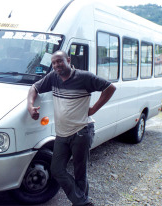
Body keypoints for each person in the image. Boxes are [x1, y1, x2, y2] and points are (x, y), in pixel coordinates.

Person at [27, 50, 116, 206]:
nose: (56, 65)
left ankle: (80, 203)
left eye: (59, 61)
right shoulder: (53, 77)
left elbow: (110, 88)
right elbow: (34, 88)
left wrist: (94, 109)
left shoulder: (84, 77)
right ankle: (83, 202)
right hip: (62, 134)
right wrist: (30, 106)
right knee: (56, 169)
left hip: (81, 131)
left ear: (68, 60)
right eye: (54, 62)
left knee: (80, 173)